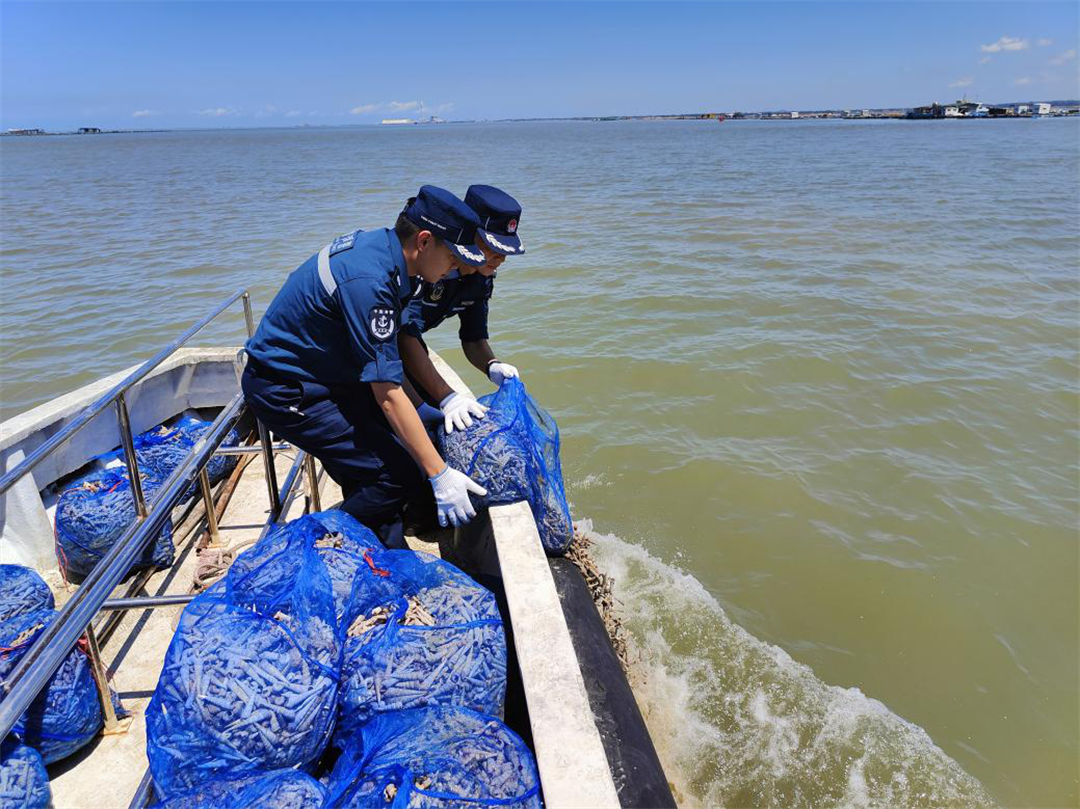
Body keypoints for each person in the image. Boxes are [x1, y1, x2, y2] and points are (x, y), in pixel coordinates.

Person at [241, 185, 490, 548]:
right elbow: (387, 393)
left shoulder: (389, 254)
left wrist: (427, 408)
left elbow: (388, 354)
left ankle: (384, 551)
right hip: (287, 389)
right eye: (453, 257)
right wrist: (440, 474)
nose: (456, 267)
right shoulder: (371, 281)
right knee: (393, 475)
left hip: (328, 374)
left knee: (392, 458)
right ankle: (309, 547)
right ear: (424, 241)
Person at [399, 185, 526, 418]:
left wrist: (492, 365)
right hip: (379, 346)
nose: (501, 259)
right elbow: (404, 337)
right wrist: (445, 397)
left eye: (505, 252)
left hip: (410, 345)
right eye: (493, 247)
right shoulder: (426, 264)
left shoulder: (481, 277)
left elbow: (473, 338)